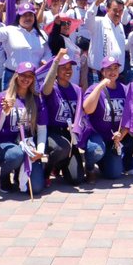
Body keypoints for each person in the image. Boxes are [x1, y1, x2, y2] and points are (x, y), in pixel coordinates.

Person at [0, 62, 47, 194]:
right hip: (3, 145)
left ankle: (19, 174)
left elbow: (42, 129)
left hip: (27, 146)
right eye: (23, 75)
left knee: (36, 188)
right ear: (16, 76)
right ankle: (4, 177)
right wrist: (4, 112)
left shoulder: (37, 99)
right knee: (16, 154)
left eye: (30, 76)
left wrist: (39, 151)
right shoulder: (2, 97)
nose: (26, 79)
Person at [82, 56, 128, 180]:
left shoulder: (124, 89)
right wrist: (100, 87)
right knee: (96, 150)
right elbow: (87, 109)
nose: (112, 72)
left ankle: (103, 162)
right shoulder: (93, 88)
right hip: (96, 136)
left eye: (115, 68)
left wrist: (122, 134)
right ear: (102, 71)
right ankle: (90, 167)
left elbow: (131, 116)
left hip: (114, 139)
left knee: (115, 174)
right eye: (109, 69)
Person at [0, 1, 52, 85]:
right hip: (13, 76)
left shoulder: (41, 34)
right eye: (24, 15)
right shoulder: (9, 30)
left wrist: (45, 59)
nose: (28, 18)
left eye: (30, 15)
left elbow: (48, 52)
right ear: (18, 17)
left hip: (34, 77)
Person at [41, 52, 82, 185]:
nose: (68, 70)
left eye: (70, 67)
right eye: (63, 67)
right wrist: (56, 61)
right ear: (56, 70)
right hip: (52, 131)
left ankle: (59, 165)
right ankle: (46, 171)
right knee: (61, 148)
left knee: (76, 179)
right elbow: (45, 89)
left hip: (69, 133)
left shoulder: (77, 89)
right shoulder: (51, 87)